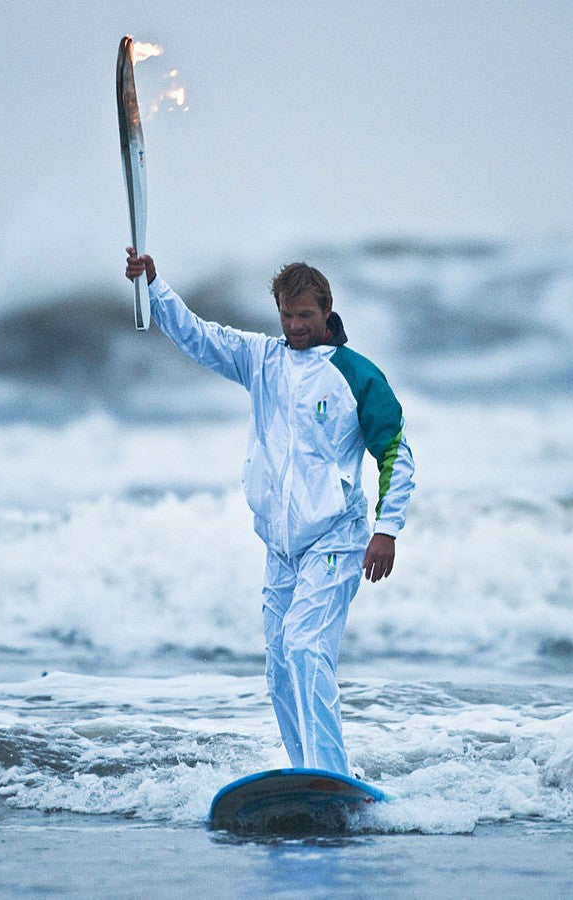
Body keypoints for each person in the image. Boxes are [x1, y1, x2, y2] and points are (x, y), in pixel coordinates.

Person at [125, 248, 415, 776]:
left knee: (306, 647)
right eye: (287, 314)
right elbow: (198, 335)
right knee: (281, 666)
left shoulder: (356, 376)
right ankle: (306, 772)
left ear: (326, 310)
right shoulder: (261, 359)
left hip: (337, 538)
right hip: (281, 548)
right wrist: (154, 284)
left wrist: (386, 529)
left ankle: (331, 774)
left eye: (305, 315)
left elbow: (396, 451)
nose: (296, 325)